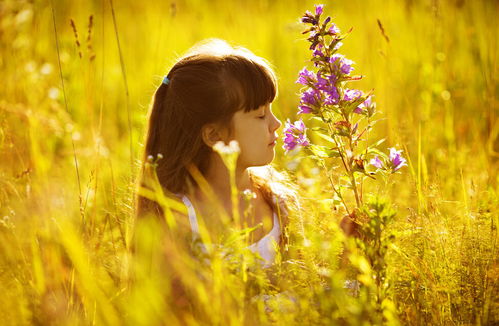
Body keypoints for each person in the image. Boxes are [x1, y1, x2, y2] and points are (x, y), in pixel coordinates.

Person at [135, 39, 303, 321]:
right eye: (260, 115)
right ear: (213, 136)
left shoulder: (278, 202)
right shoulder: (178, 218)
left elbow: (301, 285)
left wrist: (347, 258)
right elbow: (173, 314)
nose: (276, 124)